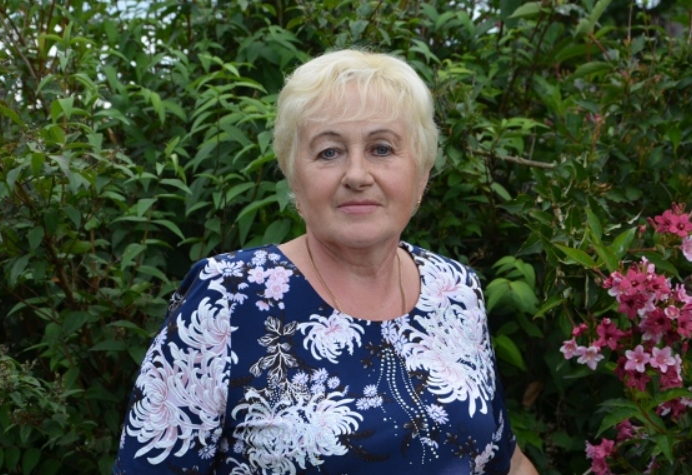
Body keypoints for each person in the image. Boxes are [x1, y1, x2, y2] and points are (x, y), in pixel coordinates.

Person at [113, 49, 539, 475]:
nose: (357, 175)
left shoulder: (456, 289)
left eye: (382, 148)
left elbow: (506, 462)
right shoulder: (226, 297)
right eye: (329, 153)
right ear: (294, 178)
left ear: (422, 173)